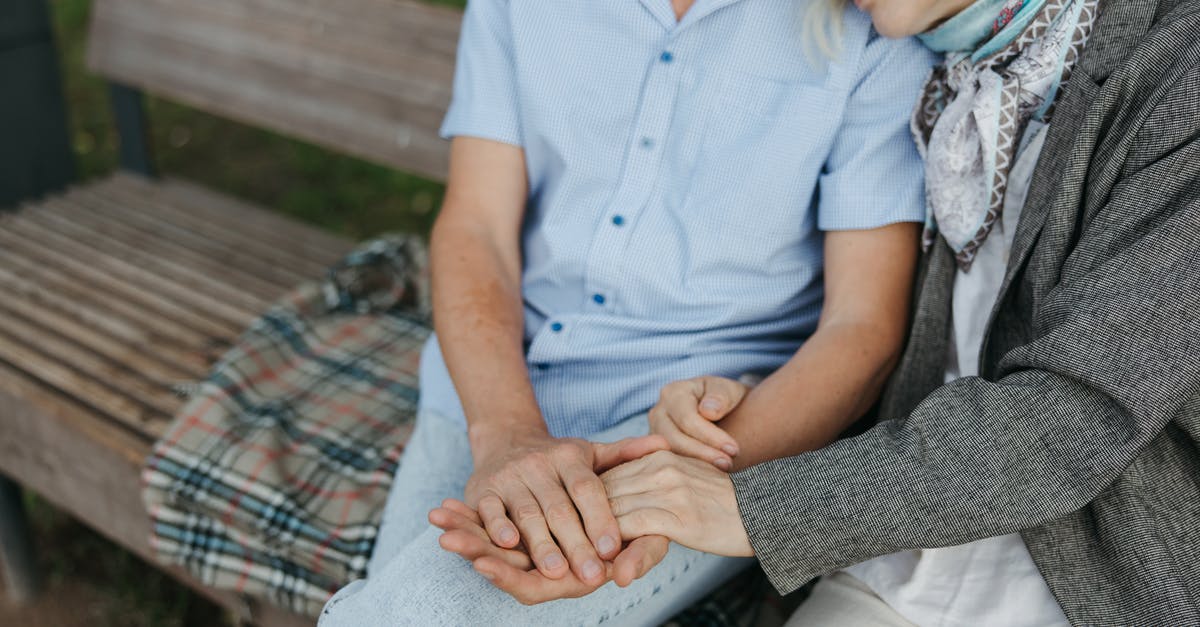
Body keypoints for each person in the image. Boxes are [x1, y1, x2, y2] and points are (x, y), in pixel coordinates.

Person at [433, 0, 1200, 624]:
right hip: (906, 544)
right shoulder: (951, 58)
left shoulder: (1173, 67)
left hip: (1104, 564)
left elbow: (1073, 411)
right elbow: (905, 343)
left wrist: (746, 503)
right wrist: (731, 408)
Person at [318, 0, 939, 624]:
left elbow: (862, 331)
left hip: (699, 429)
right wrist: (507, 434)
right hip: (493, 386)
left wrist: (669, 480)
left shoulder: (872, 18)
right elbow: (477, 228)